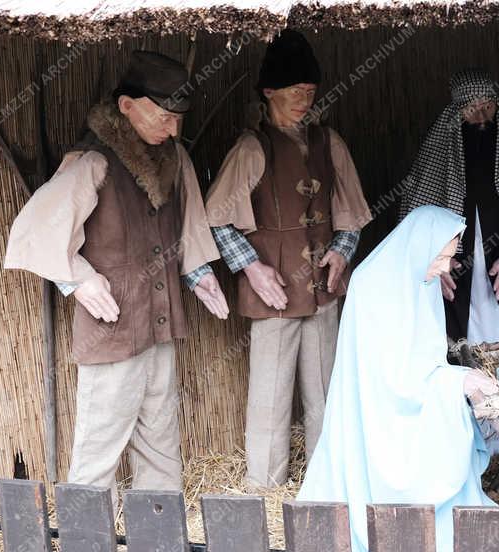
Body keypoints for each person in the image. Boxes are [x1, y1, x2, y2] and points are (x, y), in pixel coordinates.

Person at [4, 51, 227, 495]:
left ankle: (160, 535)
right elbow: (36, 228)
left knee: (162, 442)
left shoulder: (175, 158)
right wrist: (78, 279)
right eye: (163, 117)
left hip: (159, 324)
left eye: (178, 119)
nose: (174, 129)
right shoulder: (93, 161)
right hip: (112, 331)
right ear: (127, 106)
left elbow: (190, 222)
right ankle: (84, 538)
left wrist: (197, 271)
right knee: (98, 450)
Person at [204, 29, 372, 488]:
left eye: (310, 92)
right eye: (295, 92)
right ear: (269, 92)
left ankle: (325, 483)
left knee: (325, 395)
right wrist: (251, 268)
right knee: (269, 399)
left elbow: (353, 215)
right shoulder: (251, 148)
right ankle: (265, 490)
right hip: (274, 294)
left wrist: (341, 250)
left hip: (323, 293)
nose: (304, 100)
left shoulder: (328, 142)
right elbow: (215, 218)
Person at [298, 205, 498, 552]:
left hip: (411, 396)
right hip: (380, 415)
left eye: (449, 258)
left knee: (458, 412)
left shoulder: (422, 279)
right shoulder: (374, 284)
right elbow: (390, 380)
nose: (445, 267)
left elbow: (424, 359)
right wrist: (453, 383)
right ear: (420, 246)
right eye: (441, 257)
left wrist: (457, 378)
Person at [399, 69, 499, 344]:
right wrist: (436, 259)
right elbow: (418, 219)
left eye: (487, 107)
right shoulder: (439, 155)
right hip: (457, 269)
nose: (482, 118)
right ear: (457, 114)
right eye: (472, 110)